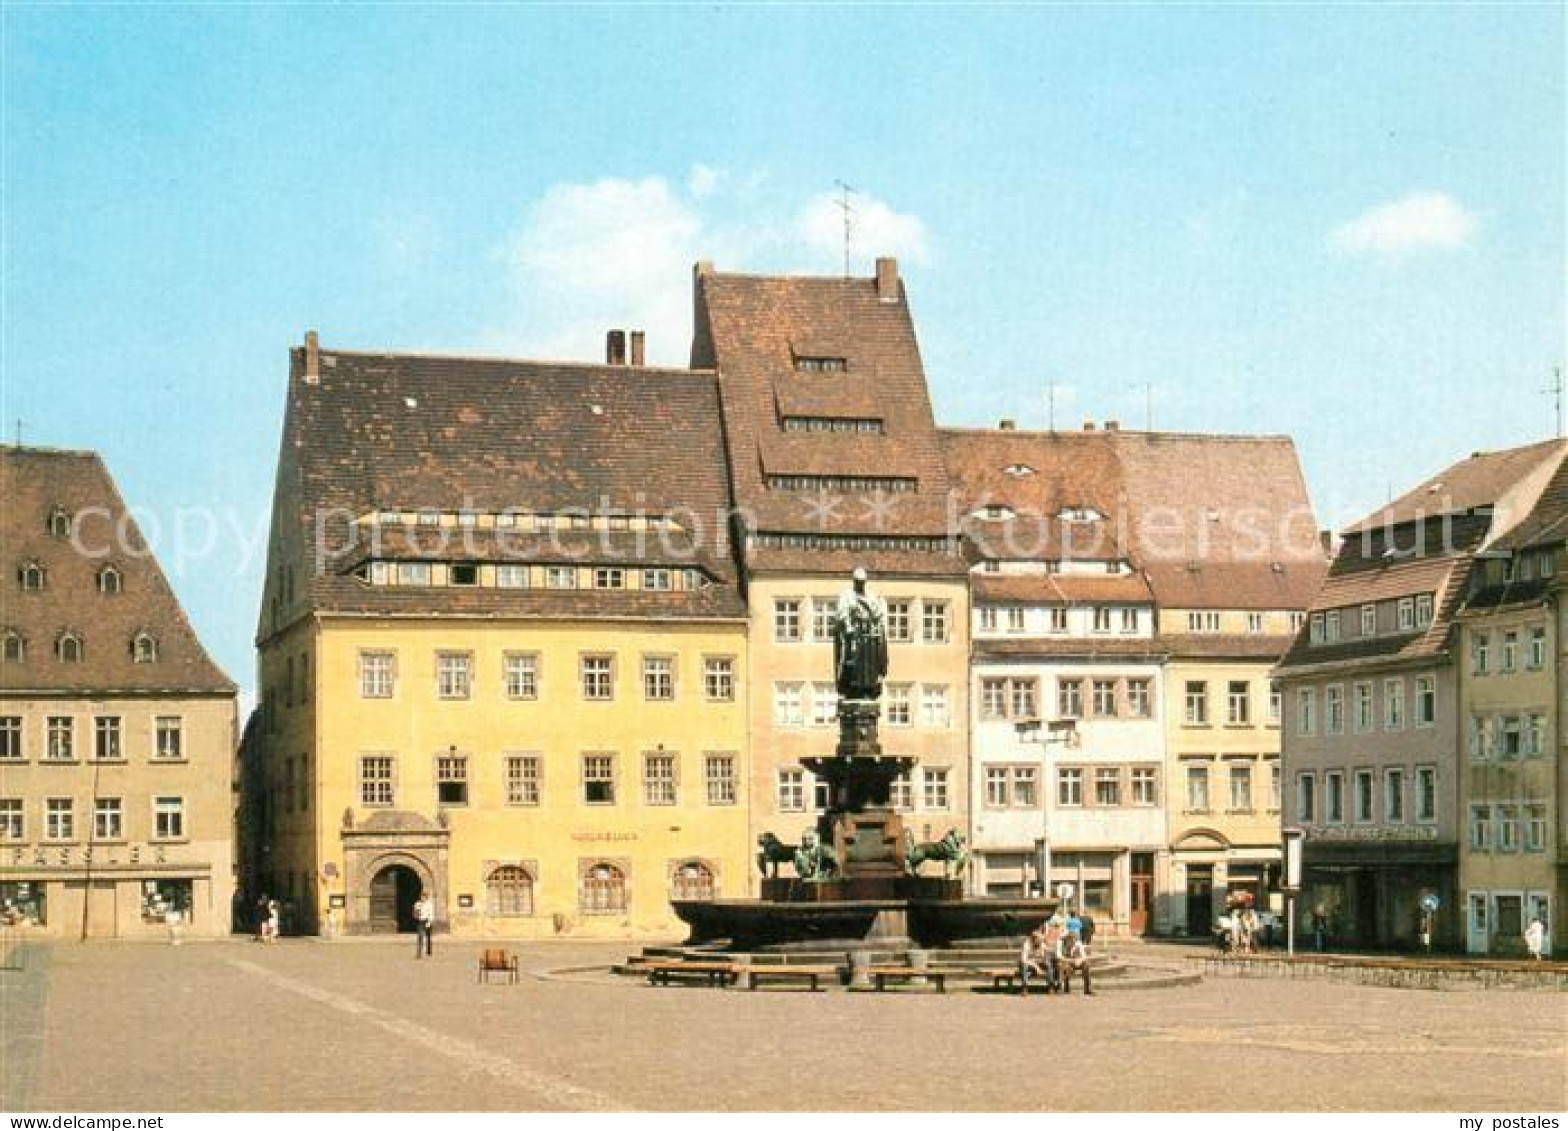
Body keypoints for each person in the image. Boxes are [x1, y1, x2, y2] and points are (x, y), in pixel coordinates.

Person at [1056, 927, 1093, 995]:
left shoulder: (1078, 943)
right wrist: (1072, 960)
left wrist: (1080, 960)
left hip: (1076, 962)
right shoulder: (1060, 943)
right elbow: (1059, 957)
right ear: (1067, 938)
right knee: (1062, 966)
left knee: (1086, 965)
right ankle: (1061, 987)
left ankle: (1087, 988)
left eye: (1074, 938)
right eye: (1070, 938)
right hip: (1066, 962)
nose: (1072, 940)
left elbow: (1084, 956)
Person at [1018, 929, 1051, 995]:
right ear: (1033, 939)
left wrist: (1045, 952)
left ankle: (1050, 986)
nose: (1040, 942)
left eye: (1041, 940)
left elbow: (1045, 957)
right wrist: (1037, 967)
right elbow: (1023, 959)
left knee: (1048, 965)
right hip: (1029, 964)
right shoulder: (1026, 944)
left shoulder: (1042, 944)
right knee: (1024, 966)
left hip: (1038, 962)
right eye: (1038, 940)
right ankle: (1025, 987)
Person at [413, 890, 434, 958]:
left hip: (427, 921)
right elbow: (415, 913)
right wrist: (417, 910)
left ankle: (428, 951)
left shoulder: (429, 904)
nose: (423, 898)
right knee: (420, 937)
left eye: (424, 897)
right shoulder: (417, 903)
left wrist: (429, 922)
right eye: (422, 897)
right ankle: (419, 953)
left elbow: (431, 914)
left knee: (428, 937)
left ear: (426, 897)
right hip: (420, 922)